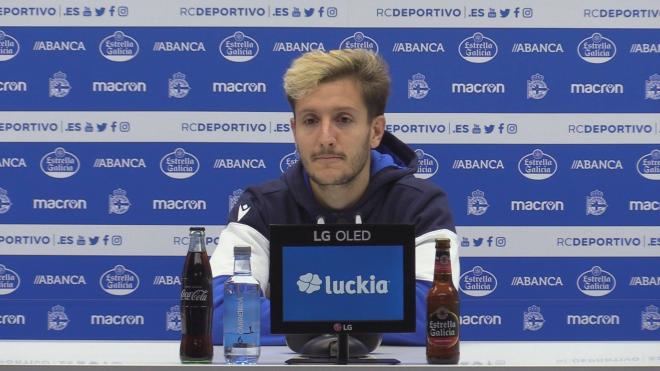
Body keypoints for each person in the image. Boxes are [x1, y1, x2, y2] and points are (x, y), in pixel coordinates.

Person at [210, 49, 458, 345]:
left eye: (343, 119)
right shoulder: (263, 207)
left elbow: (433, 316)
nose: (326, 137)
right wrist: (358, 316)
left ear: (376, 131)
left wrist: (301, 318)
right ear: (294, 130)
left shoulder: (419, 206)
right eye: (311, 120)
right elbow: (221, 314)